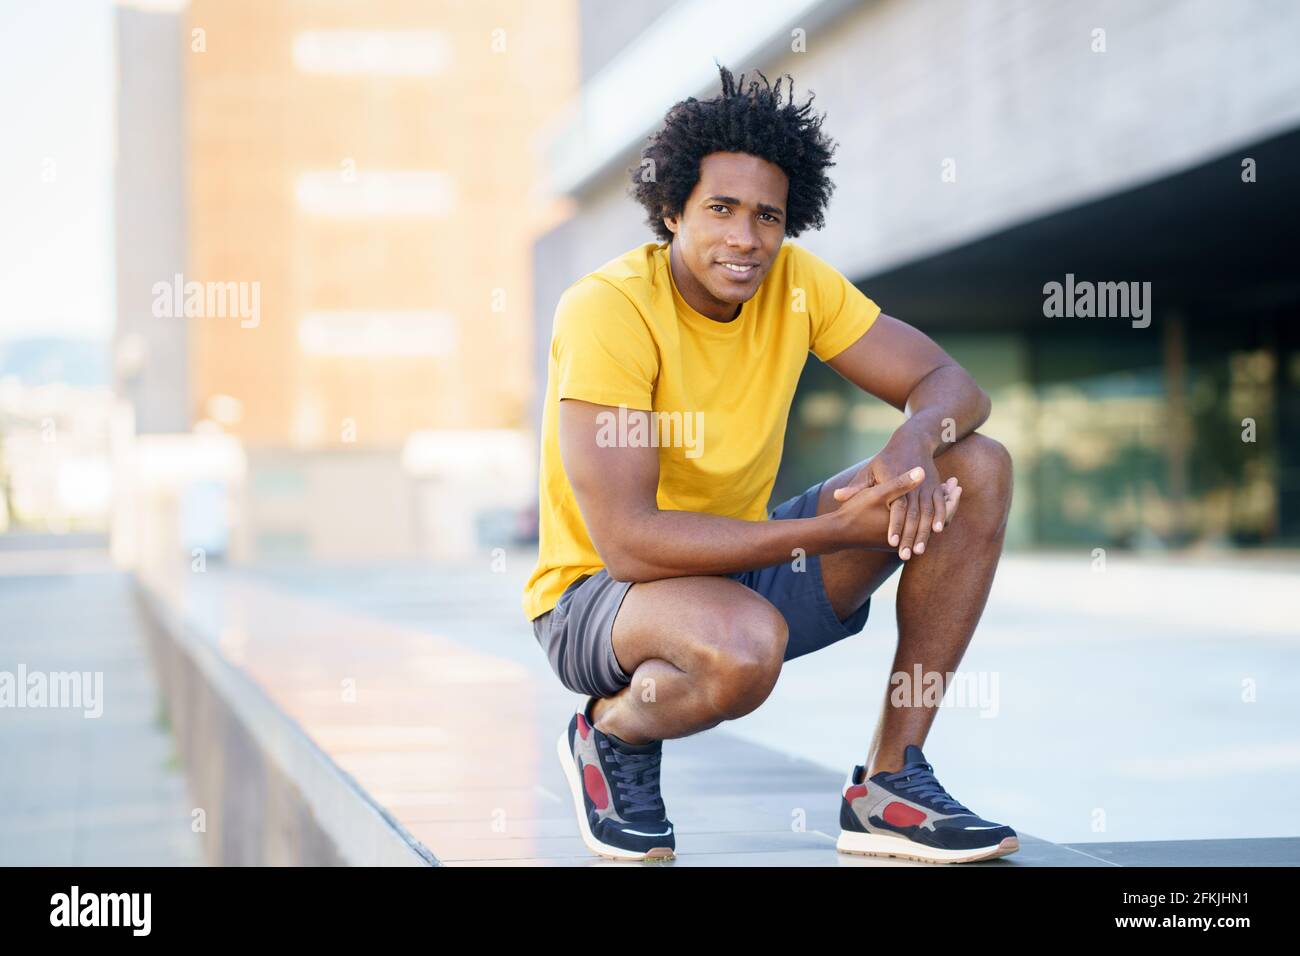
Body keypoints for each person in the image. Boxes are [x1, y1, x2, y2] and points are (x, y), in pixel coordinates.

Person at [523, 64, 1017, 864]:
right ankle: (610, 731)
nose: (745, 239)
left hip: (741, 558)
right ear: (672, 209)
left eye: (767, 217)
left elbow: (953, 384)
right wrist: (827, 532)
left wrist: (916, 438)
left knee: (975, 466)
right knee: (745, 652)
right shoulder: (607, 310)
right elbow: (631, 544)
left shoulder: (796, 285)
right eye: (720, 209)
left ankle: (889, 783)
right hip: (600, 597)